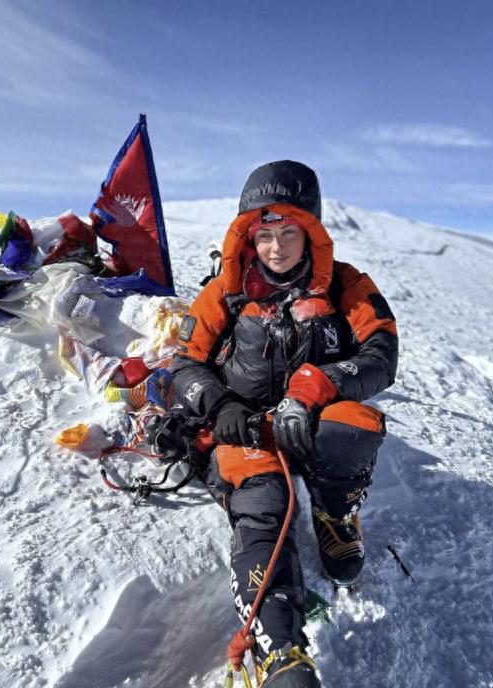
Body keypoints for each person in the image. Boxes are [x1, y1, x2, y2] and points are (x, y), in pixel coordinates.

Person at [170, 161, 398, 687]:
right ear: (249, 236)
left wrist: (313, 386)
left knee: (354, 426)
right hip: (247, 431)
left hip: (312, 421)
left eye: (288, 233)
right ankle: (282, 654)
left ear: (310, 231)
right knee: (264, 504)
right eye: (265, 234)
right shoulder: (225, 291)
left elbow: (382, 354)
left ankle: (335, 516)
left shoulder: (348, 286)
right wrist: (219, 405)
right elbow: (184, 364)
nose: (275, 247)